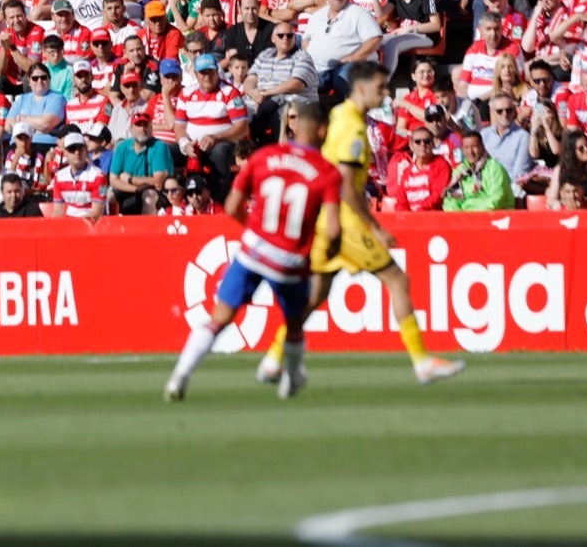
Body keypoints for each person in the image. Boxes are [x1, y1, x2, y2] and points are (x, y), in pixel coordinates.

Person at [256, 62, 465, 387]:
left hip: (324, 218)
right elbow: (344, 185)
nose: (384, 95)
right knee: (397, 280)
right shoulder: (353, 128)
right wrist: (375, 226)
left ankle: (271, 360)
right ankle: (423, 362)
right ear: (362, 88)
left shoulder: (339, 114)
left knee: (313, 298)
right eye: (381, 89)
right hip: (345, 221)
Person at [164, 99, 341, 402]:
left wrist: (259, 231)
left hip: (254, 250)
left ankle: (179, 376)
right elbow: (335, 230)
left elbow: (232, 206)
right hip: (289, 259)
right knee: (295, 323)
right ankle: (292, 379)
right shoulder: (327, 172)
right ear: (323, 130)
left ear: (296, 126)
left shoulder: (265, 157)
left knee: (219, 317)